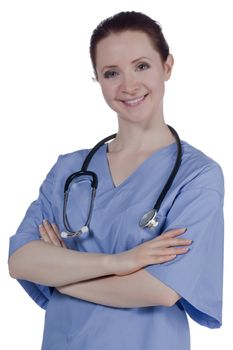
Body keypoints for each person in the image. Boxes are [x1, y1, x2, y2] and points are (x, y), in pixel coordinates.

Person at [8, 11, 224, 350]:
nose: (128, 85)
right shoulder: (69, 171)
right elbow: (21, 260)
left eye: (141, 66)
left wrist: (63, 280)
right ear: (97, 78)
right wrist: (122, 262)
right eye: (112, 73)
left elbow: (161, 289)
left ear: (167, 66)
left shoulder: (197, 176)